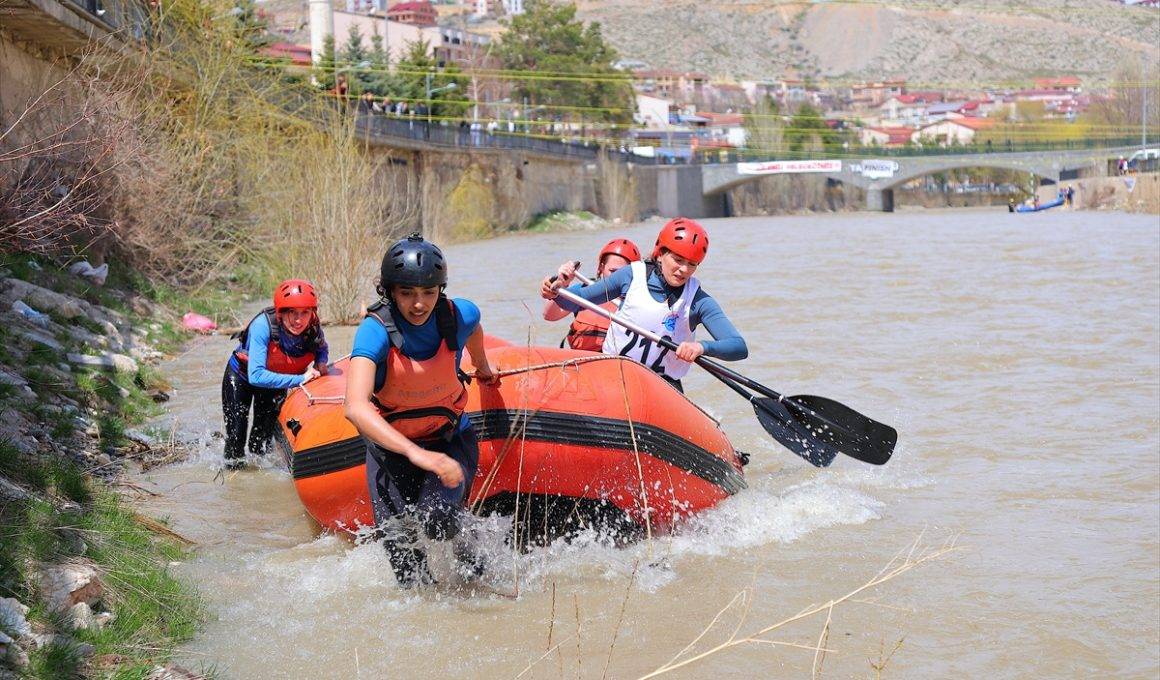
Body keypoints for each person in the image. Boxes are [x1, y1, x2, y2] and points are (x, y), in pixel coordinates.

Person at [344, 233, 499, 588]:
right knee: (407, 570)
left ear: (440, 290)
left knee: (439, 520)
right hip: (392, 454)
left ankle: (479, 576)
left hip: (450, 441)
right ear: (390, 292)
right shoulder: (374, 332)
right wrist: (417, 454)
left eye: (429, 292)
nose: (419, 304)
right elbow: (354, 407)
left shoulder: (459, 315)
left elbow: (474, 327)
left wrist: (482, 365)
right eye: (407, 293)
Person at [540, 218, 747, 393]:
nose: (684, 269)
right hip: (613, 375)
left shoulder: (698, 300)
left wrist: (701, 347)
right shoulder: (630, 276)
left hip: (662, 387)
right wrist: (556, 290)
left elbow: (738, 346)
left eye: (692, 264)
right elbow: (580, 297)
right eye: (678, 259)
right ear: (660, 253)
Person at [222, 280, 329, 470]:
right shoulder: (262, 326)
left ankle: (260, 479)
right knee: (236, 437)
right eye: (292, 313)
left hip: (275, 381)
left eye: (305, 313)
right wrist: (301, 379)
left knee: (261, 442)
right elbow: (256, 376)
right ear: (281, 313)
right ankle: (234, 477)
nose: (299, 320)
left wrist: (321, 362)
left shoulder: (313, 326)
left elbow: (322, 348)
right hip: (242, 377)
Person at [542, 238, 641, 351]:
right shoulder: (585, 290)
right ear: (601, 268)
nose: (617, 278)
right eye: (613, 271)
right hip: (581, 359)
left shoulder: (640, 300)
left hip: (616, 360)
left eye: (622, 273)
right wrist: (562, 284)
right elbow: (549, 315)